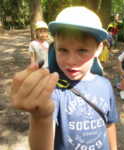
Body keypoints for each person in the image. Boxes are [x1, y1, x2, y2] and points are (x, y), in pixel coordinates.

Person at [9, 6, 118, 150]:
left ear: (98, 49)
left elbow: (109, 124)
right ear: (55, 49)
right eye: (63, 50)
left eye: (82, 50)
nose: (71, 61)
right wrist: (40, 117)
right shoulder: (53, 90)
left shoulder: (105, 85)